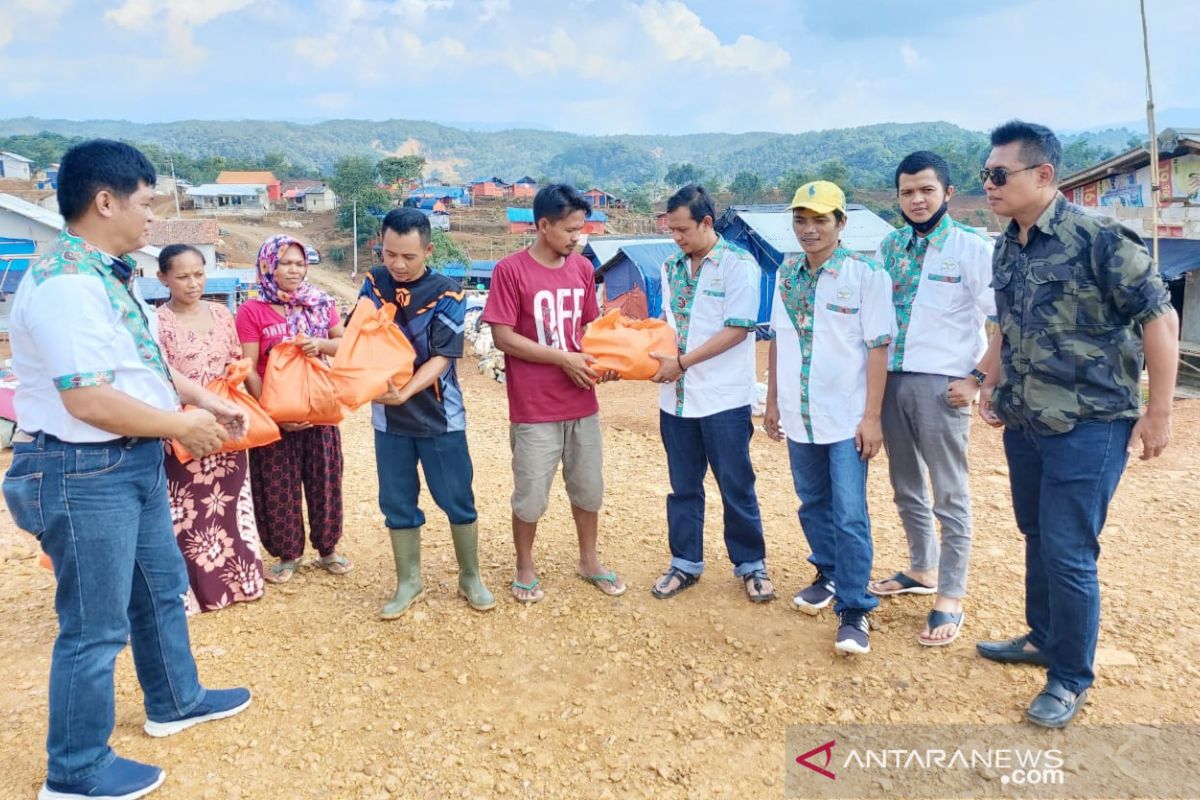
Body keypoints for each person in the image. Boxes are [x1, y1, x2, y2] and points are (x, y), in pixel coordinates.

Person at [1, 140, 251, 800]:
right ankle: (75, 769)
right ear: (103, 201)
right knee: (94, 626)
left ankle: (175, 698)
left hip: (123, 460)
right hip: (83, 468)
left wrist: (203, 398)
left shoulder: (102, 275)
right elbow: (87, 398)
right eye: (144, 205)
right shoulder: (64, 287)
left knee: (157, 589)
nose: (152, 220)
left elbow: (139, 366)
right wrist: (181, 426)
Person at [975, 120, 1178, 727]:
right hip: (1026, 420)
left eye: (998, 174)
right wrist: (988, 379)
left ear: (1044, 175)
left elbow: (1159, 321)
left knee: (1069, 552)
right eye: (985, 174)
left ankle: (1069, 677)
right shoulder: (1008, 243)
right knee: (1037, 533)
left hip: (1091, 424)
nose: (988, 184)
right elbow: (1007, 325)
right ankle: (1041, 637)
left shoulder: (1100, 239)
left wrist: (1159, 411)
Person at [867, 151, 996, 647]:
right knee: (904, 484)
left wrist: (977, 379)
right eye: (906, 192)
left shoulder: (970, 247)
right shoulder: (889, 245)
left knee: (949, 491)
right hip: (892, 380)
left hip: (943, 385)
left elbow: (1000, 318)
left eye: (926, 190)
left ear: (947, 193)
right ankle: (922, 568)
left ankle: (951, 595)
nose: (916, 200)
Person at [764, 180, 893, 655]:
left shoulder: (864, 274)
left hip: (846, 417)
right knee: (811, 501)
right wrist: (773, 402)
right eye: (801, 220)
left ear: (842, 224)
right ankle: (830, 573)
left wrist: (872, 417)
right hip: (801, 413)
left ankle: (855, 609)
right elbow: (779, 336)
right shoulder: (786, 271)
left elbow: (878, 348)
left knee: (850, 511)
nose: (809, 230)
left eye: (820, 220)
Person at [482, 183, 625, 603]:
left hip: (582, 403)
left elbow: (587, 330)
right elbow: (504, 337)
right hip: (534, 408)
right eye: (569, 230)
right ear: (543, 226)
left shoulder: (581, 269)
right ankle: (525, 567)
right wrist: (563, 359)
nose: (577, 238)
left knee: (588, 488)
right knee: (529, 495)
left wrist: (604, 361)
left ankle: (589, 560)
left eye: (581, 229)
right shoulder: (510, 271)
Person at [359, 208, 495, 617]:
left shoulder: (449, 292)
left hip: (440, 417)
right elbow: (358, 338)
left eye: (409, 257)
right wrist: (328, 352)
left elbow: (442, 359)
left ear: (428, 250)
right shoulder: (373, 283)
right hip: (389, 419)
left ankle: (470, 576)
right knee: (397, 501)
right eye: (389, 254)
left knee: (457, 497)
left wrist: (406, 392)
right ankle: (408, 581)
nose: (397, 265)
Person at [649, 184, 774, 603]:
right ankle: (685, 562)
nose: (677, 238)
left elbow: (738, 330)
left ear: (706, 222)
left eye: (683, 229)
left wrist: (682, 363)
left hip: (724, 399)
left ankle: (751, 564)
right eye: (672, 230)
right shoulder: (670, 267)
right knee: (682, 485)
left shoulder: (739, 265)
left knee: (735, 483)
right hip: (676, 400)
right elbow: (668, 325)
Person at [156, 244, 266, 613]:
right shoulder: (158, 322)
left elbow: (237, 362)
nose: (192, 283)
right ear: (163, 278)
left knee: (232, 503)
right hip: (185, 428)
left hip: (227, 423)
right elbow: (159, 379)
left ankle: (240, 582)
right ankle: (196, 593)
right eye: (182, 276)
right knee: (187, 509)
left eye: (198, 274)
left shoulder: (222, 313)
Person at [236, 234, 351, 583]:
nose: (294, 270)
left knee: (326, 481)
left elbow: (344, 346)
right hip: (276, 418)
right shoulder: (251, 310)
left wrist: (320, 344)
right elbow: (249, 368)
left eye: (300, 263)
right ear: (269, 266)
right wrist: (273, 415)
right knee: (277, 485)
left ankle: (328, 549)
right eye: (285, 262)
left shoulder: (321, 303)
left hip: (320, 411)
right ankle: (288, 554)